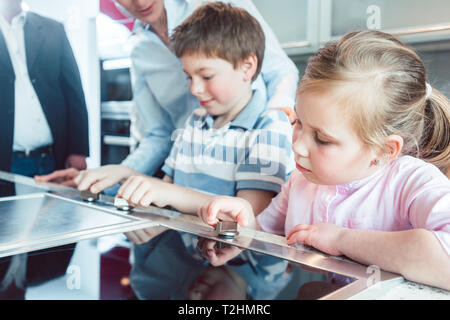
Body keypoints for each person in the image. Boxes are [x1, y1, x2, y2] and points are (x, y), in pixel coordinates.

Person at [197, 30, 450, 291]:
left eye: (322, 139)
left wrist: (342, 239)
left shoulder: (412, 182)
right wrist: (243, 226)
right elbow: (267, 230)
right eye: (298, 123)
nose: (298, 145)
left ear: (384, 150)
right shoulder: (303, 180)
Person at [118, 2, 293, 299]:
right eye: (189, 77)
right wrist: (150, 204)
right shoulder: (195, 121)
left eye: (206, 76)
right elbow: (169, 187)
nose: (194, 90)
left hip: (246, 267)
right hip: (197, 256)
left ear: (247, 67)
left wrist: (166, 194)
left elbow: (247, 218)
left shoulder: (269, 127)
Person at [35, 0, 298, 193]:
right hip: (191, 175)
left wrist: (273, 121)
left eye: (206, 77)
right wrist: (103, 179)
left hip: (245, 168)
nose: (138, 1)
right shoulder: (140, 50)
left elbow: (281, 70)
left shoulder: (217, 7)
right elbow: (159, 135)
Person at [0, 0, 89, 298]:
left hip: (54, 160)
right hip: (5, 164)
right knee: (7, 243)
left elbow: (73, 90)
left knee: (52, 240)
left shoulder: (52, 29)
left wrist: (79, 149)